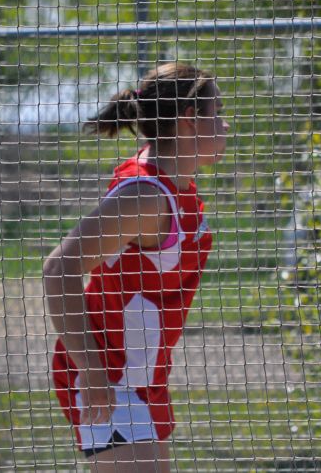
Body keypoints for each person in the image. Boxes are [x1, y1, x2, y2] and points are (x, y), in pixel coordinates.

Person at [44, 62, 229, 472]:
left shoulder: (173, 182)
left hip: (139, 379)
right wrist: (92, 372)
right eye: (216, 112)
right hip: (108, 379)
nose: (226, 124)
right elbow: (59, 270)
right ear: (188, 123)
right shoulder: (146, 197)